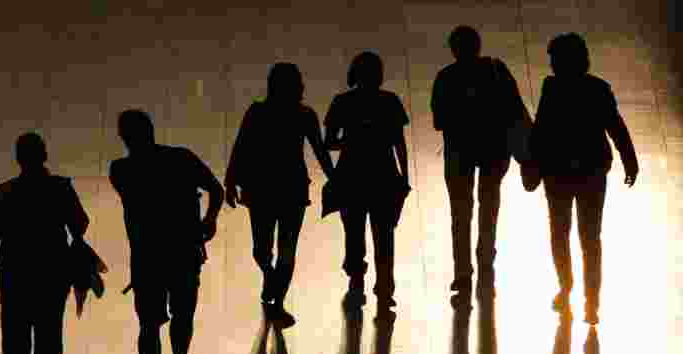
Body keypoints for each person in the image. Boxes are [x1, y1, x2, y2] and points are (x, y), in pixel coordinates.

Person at [110, 109, 224, 354]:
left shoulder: (120, 170)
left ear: (124, 137)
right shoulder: (182, 158)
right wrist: (208, 220)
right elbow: (216, 189)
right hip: (184, 251)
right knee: (182, 314)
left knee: (149, 325)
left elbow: (141, 206)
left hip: (147, 257)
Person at [0, 133, 90, 354]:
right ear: (44, 155)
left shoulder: (6, 191)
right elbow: (81, 222)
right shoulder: (60, 187)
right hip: (53, 268)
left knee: (15, 328)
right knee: (49, 330)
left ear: (18, 158)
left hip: (15, 269)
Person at [530, 33, 638, 324]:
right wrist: (629, 158)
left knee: (560, 233)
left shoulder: (551, 89)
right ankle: (591, 303)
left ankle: (566, 288)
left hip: (558, 173)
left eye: (554, 59)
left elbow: (541, 129)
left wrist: (533, 165)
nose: (551, 65)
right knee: (590, 238)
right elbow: (615, 125)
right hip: (592, 171)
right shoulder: (598, 88)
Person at [225, 62, 333, 327]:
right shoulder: (265, 113)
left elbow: (319, 151)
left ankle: (279, 302)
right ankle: (271, 281)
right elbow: (241, 146)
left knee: (283, 249)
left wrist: (337, 179)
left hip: (277, 189)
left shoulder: (297, 114)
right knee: (264, 249)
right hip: (274, 188)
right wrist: (230, 181)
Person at [431, 26, 529, 299]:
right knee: (489, 203)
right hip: (494, 149)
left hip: (459, 152)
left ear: (453, 49)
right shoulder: (496, 70)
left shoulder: (446, 78)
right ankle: (486, 256)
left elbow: (438, 121)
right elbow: (515, 107)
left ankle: (463, 272)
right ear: (479, 45)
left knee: (460, 213)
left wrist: (462, 113)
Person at [324, 51, 410, 315]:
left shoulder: (342, 102)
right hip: (383, 175)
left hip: (351, 175)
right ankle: (384, 291)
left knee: (354, 234)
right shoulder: (390, 101)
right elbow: (399, 142)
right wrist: (404, 177)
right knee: (384, 237)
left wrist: (350, 143)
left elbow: (329, 141)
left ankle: (356, 279)